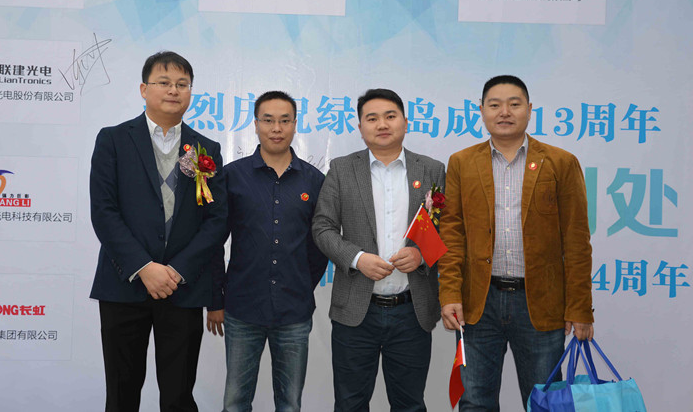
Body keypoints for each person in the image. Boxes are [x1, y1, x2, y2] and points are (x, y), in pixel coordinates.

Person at [438, 75, 594, 411]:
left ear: (529, 109)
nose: (504, 112)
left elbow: (577, 241)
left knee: (544, 402)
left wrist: (580, 308)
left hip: (540, 304)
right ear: (482, 111)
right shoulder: (462, 162)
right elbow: (452, 235)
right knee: (475, 401)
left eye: (514, 104)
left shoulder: (560, 162)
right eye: (495, 105)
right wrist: (450, 293)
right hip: (478, 304)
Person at [89, 51, 228, 412]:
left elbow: (217, 220)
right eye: (164, 82)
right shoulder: (113, 140)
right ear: (144, 89)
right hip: (124, 285)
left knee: (178, 395)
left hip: (181, 289)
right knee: (121, 393)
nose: (173, 90)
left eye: (182, 84)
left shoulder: (205, 149)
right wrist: (144, 267)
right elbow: (104, 212)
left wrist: (177, 270)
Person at [312, 88, 445, 412]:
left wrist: (421, 255)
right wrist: (357, 259)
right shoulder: (342, 169)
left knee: (409, 404)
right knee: (350, 404)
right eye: (372, 118)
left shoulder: (431, 169)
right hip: (357, 311)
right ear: (361, 127)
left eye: (390, 116)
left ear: (405, 122)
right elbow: (322, 227)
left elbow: (446, 227)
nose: (382, 124)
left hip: (411, 311)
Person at [206, 90, 328, 412]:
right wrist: (216, 300)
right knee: (235, 402)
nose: (276, 128)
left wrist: (301, 285)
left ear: (295, 125)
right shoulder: (232, 176)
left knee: (290, 403)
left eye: (284, 120)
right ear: (256, 124)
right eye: (268, 120)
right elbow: (214, 241)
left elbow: (321, 245)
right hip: (241, 309)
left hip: (294, 313)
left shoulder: (314, 181)